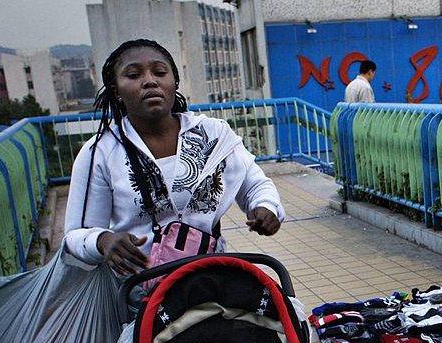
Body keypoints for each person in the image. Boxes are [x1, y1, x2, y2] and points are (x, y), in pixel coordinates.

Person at [64, 39, 285, 275]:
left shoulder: (213, 134)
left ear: (174, 82)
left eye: (160, 72)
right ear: (116, 90)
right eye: (133, 75)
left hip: (211, 279)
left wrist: (266, 207)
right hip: (139, 293)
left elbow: (255, 186)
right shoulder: (100, 152)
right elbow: (76, 235)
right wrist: (102, 240)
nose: (150, 81)